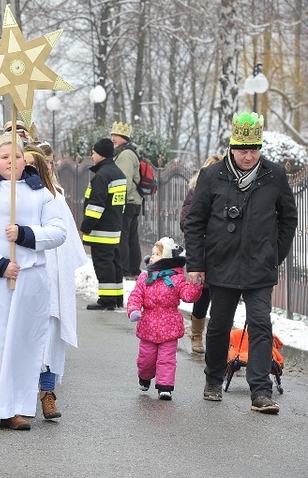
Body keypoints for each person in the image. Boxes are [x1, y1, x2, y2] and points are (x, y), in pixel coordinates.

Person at [185, 111, 297, 414]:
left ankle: (260, 391)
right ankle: (212, 379)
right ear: (231, 148)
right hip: (221, 264)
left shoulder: (274, 175)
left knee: (261, 324)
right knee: (219, 325)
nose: (248, 156)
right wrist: (196, 264)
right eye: (243, 150)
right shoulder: (212, 176)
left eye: (254, 150)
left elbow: (289, 218)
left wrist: (275, 254)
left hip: (259, 266)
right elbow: (195, 222)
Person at [0, 133, 66, 430]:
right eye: (4, 157)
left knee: (23, 343)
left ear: (24, 160)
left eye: (16, 156)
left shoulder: (40, 193)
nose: (11, 162)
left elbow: (59, 232)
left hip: (29, 279)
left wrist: (26, 234)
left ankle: (16, 407)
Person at [24, 144, 86, 419]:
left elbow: (68, 245)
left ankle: (47, 392)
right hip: (20, 276)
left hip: (50, 277)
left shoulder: (55, 199)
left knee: (48, 338)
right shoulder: (9, 199)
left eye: (32, 166)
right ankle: (20, 396)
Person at [126, 237, 203, 400]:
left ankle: (165, 386)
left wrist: (196, 286)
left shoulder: (177, 279)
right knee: (146, 359)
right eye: (152, 253)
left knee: (167, 360)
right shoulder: (145, 278)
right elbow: (136, 295)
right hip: (148, 327)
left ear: (167, 258)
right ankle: (145, 377)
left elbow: (187, 296)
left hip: (169, 327)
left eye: (157, 254)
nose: (152, 257)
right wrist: (134, 309)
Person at [179, 154, 223, 354]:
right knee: (202, 295)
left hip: (223, 252)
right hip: (202, 251)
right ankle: (196, 335)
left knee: (222, 298)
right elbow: (187, 221)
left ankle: (218, 338)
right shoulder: (195, 192)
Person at [81, 138, 126, 310]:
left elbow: (96, 206)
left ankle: (107, 300)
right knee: (114, 263)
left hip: (101, 231)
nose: (92, 156)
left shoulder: (101, 176)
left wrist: (85, 227)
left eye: (93, 153)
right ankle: (117, 298)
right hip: (114, 228)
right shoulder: (119, 174)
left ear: (100, 154)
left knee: (103, 264)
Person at [111, 121, 143, 280]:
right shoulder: (126, 152)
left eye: (115, 135)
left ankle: (126, 269)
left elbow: (124, 181)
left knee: (124, 236)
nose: (113, 138)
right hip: (132, 200)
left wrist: (119, 201)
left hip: (127, 201)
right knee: (131, 236)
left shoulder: (125, 155)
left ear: (124, 137)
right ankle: (132, 268)